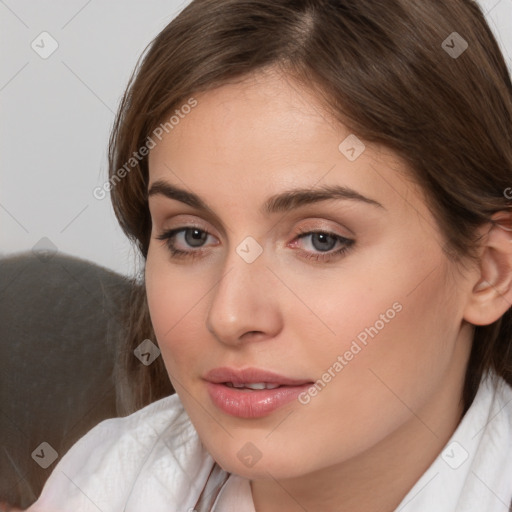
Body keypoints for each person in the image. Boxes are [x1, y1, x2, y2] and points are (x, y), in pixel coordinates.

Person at [27, 0, 512, 510]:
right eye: (191, 236)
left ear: (489, 273)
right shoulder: (102, 482)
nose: (229, 316)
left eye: (321, 240)